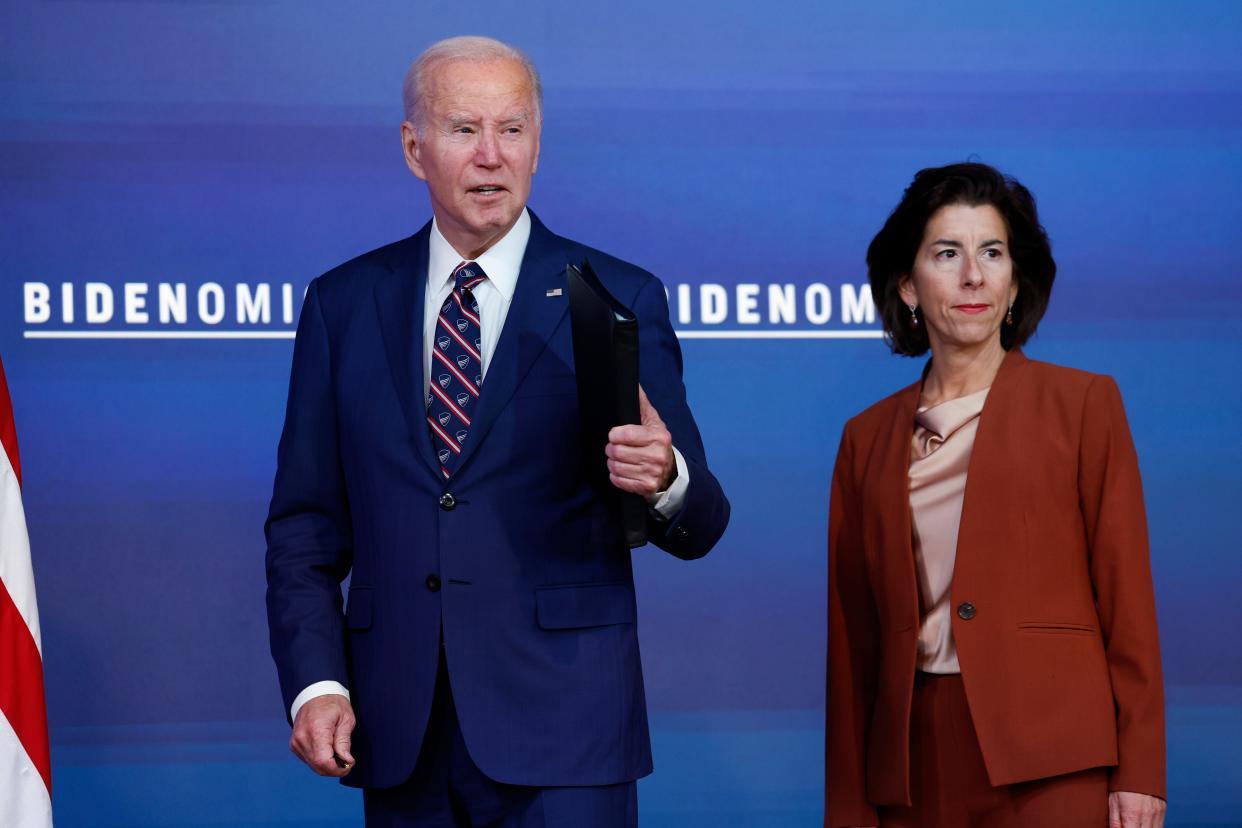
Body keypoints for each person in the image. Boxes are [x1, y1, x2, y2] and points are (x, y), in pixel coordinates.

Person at [265, 36, 729, 828]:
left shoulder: (617, 295)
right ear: (414, 148)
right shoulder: (343, 305)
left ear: (538, 144)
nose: (491, 156)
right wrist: (319, 682)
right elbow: (306, 525)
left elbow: (702, 521)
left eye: (512, 130)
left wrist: (666, 476)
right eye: (462, 130)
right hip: (399, 725)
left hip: (568, 728)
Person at [825, 162, 1165, 828]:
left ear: (1015, 284)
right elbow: (851, 646)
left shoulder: (1084, 405)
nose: (972, 275)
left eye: (992, 253)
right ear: (908, 286)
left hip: (1054, 761)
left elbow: (1128, 601)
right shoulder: (864, 439)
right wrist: (848, 809)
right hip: (912, 768)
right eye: (946, 254)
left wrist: (1141, 769)